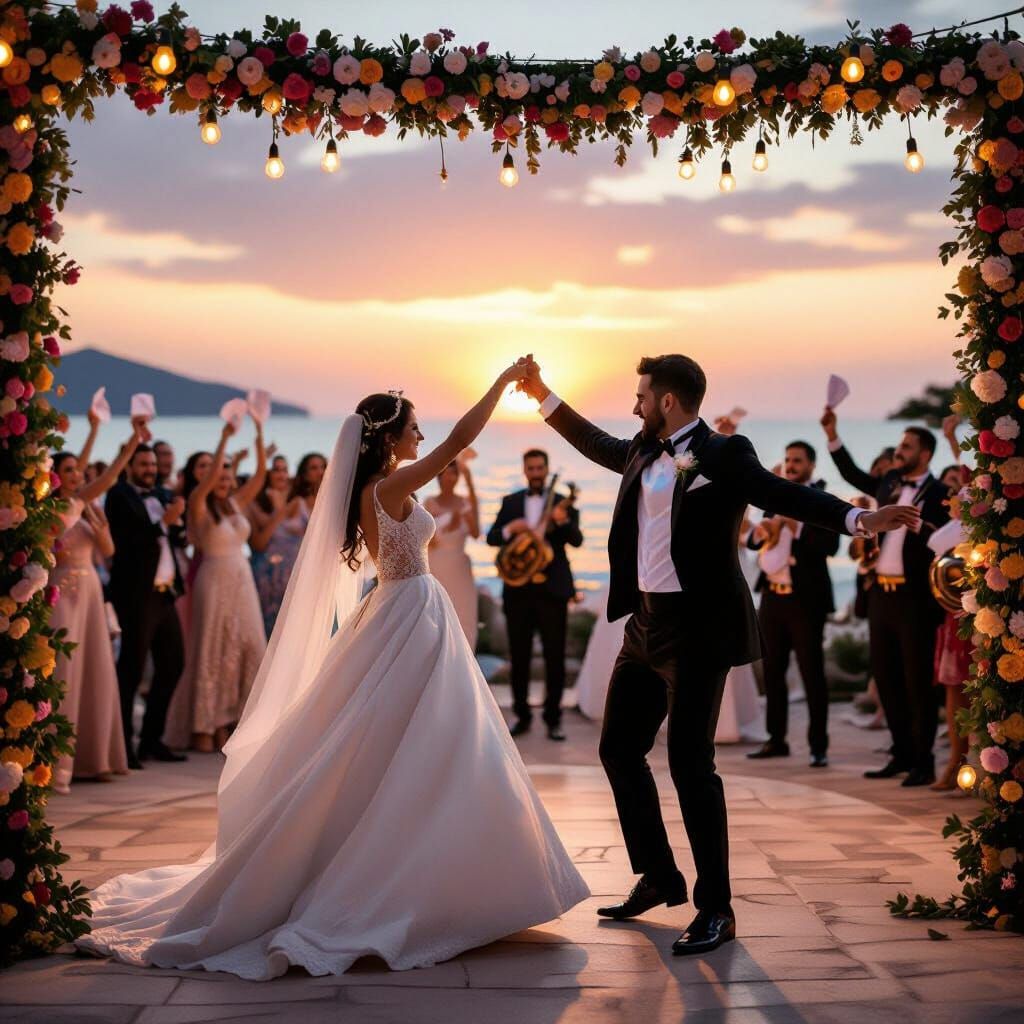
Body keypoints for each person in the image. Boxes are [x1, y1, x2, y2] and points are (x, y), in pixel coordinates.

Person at [77, 364, 589, 978]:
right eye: (414, 429)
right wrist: (503, 385)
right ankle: (414, 875)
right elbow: (458, 440)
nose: (422, 438)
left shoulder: (371, 489)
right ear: (388, 438)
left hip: (404, 611)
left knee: (424, 739)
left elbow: (444, 450)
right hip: (411, 613)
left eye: (420, 430)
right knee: (432, 738)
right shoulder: (389, 486)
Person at [517, 352, 918, 957]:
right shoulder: (643, 449)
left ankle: (717, 909)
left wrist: (860, 518)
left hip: (699, 630)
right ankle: (659, 875)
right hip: (644, 625)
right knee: (618, 749)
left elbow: (782, 493)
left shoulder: (725, 453)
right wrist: (543, 394)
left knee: (690, 765)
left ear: (667, 401)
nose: (634, 406)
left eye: (641, 397)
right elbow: (594, 442)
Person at [821, 405, 950, 786]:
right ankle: (900, 753)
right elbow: (853, 475)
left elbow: (947, 542)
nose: (899, 451)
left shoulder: (941, 493)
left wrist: (921, 526)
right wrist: (833, 436)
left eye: (907, 446)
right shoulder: (890, 482)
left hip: (916, 600)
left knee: (918, 682)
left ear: (925, 454)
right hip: (882, 596)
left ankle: (924, 762)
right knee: (887, 677)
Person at [49, 422, 146, 790]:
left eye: (78, 470)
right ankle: (58, 765)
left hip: (91, 590)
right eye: (69, 470)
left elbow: (108, 551)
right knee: (65, 673)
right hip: (62, 591)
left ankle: (96, 758)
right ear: (55, 476)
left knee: (96, 670)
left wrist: (132, 442)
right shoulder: (48, 510)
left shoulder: (85, 506)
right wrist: (93, 431)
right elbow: (105, 478)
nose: (77, 475)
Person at [746, 441, 839, 768]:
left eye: (797, 460)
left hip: (806, 601)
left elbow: (830, 545)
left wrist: (795, 526)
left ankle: (818, 746)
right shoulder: (776, 495)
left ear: (811, 465)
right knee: (773, 672)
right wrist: (761, 531)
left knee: (812, 673)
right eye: (787, 459)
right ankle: (776, 739)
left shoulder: (822, 499)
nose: (791, 465)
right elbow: (753, 541)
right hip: (772, 597)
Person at [180, 417, 268, 752]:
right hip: (214, 579)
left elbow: (259, 476)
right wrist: (224, 440)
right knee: (213, 647)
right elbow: (209, 478)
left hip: (242, 579)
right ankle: (206, 725)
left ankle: (237, 720)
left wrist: (259, 433)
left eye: (229, 476)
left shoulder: (235, 503)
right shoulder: (198, 504)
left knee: (250, 645)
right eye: (219, 475)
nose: (224, 479)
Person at [486, 449, 583, 741]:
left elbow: (577, 540)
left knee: (555, 657)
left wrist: (562, 521)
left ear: (546, 468)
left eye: (540, 468)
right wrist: (509, 530)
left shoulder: (563, 504)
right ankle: (522, 716)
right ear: (525, 470)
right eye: (531, 468)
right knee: (520, 656)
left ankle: (554, 719)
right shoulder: (511, 502)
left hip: (553, 592)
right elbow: (491, 537)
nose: (537, 473)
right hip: (518, 592)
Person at [105, 444, 188, 767]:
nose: (150, 469)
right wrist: (164, 522)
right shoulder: (119, 496)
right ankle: (123, 747)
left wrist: (177, 523)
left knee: (173, 664)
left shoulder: (163, 495)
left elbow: (175, 540)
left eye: (153, 464)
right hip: (136, 596)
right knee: (132, 671)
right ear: (129, 466)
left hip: (165, 594)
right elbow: (128, 543)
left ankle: (151, 740)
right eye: (143, 464)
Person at [425, 453, 481, 648]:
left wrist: (465, 517)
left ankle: (464, 659)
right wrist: (446, 524)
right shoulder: (430, 503)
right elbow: (427, 541)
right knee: (437, 615)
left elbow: (476, 533)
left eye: (453, 473)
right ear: (438, 477)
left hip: (460, 567)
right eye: (445, 473)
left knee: (464, 615)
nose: (449, 478)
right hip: (436, 564)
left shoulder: (465, 503)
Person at [248, 455, 307, 638]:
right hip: (268, 575)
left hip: (295, 572)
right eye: (276, 469)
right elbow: (259, 544)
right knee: (271, 630)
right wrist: (279, 511)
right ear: (268, 474)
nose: (281, 474)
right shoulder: (256, 504)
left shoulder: (299, 501)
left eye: (284, 469)